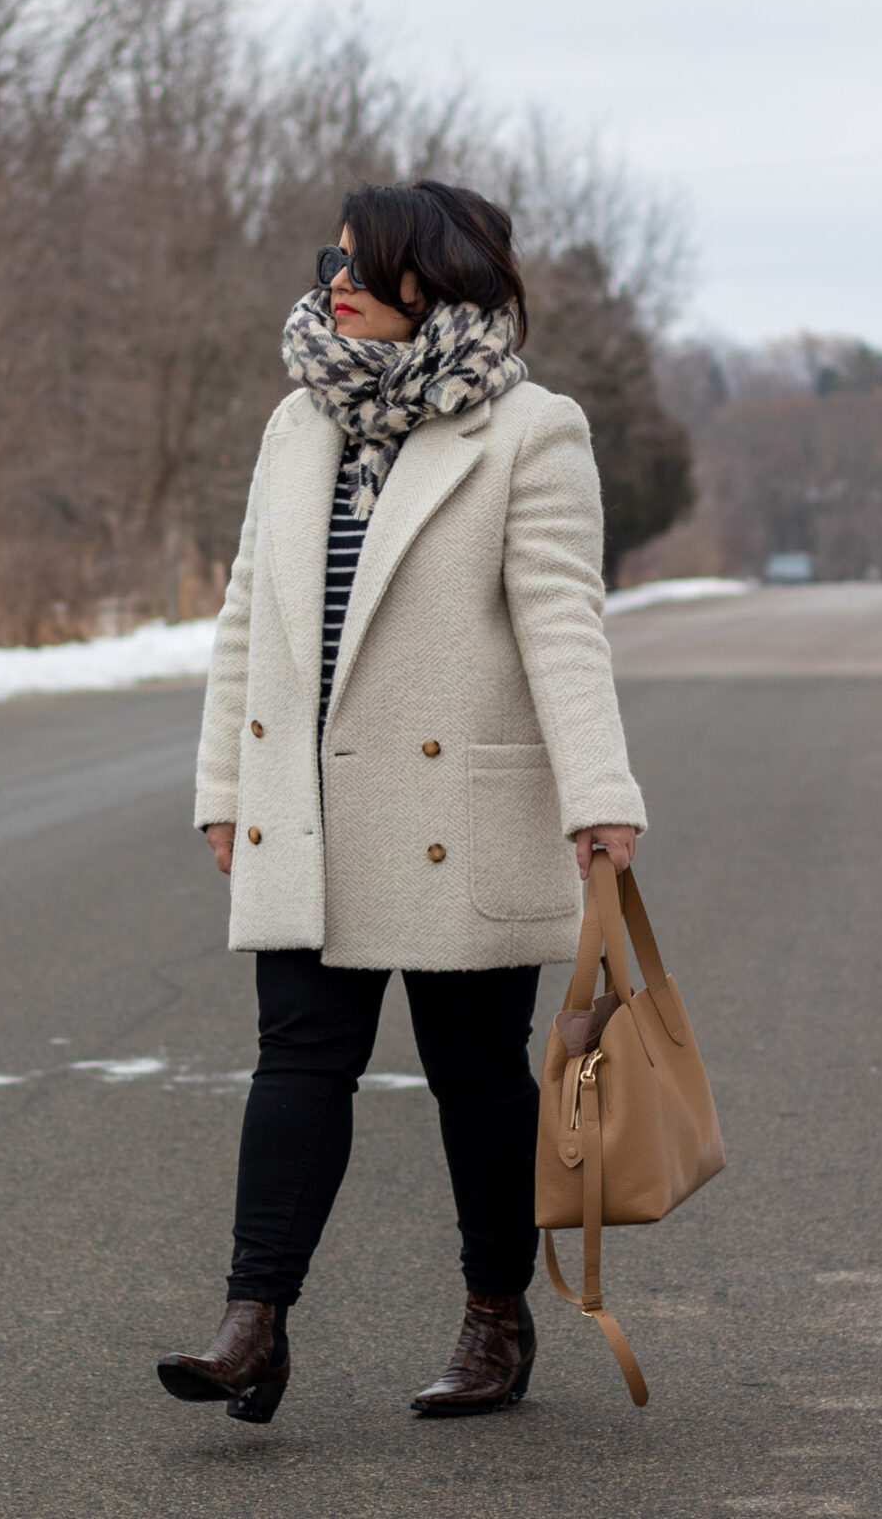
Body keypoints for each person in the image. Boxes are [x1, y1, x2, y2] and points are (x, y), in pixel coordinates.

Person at [156, 180, 645, 1424]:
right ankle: (252, 1324)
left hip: (454, 812)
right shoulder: (296, 422)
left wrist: (600, 794)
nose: (338, 281)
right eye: (334, 260)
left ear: (441, 280)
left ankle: (496, 1317)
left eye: (367, 265)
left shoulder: (531, 432)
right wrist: (226, 787)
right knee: (297, 1059)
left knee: (474, 1075)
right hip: (307, 809)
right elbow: (242, 621)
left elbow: (562, 625)